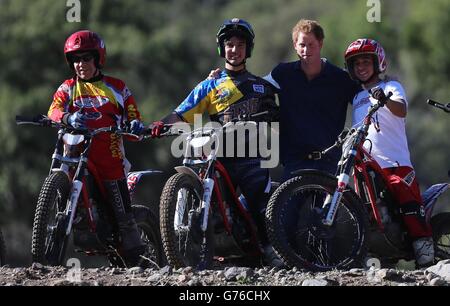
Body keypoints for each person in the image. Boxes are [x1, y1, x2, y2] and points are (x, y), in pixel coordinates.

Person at [150, 18, 282, 267]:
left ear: (248, 49)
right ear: (222, 49)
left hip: (251, 155)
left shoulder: (262, 87)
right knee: (212, 203)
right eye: (229, 44)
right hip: (218, 156)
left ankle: (271, 249)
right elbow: (180, 114)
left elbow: (278, 117)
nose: (235, 49)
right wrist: (159, 124)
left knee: (260, 204)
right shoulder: (209, 86)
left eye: (240, 44)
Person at [47, 30, 146, 267]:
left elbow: (133, 115)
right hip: (74, 153)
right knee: (55, 184)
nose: (81, 64)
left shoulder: (117, 87)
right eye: (76, 59)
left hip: (109, 158)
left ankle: (138, 263)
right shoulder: (68, 87)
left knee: (123, 218)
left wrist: (134, 124)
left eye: (86, 58)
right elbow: (53, 110)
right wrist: (67, 118)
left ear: (98, 58)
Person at [344, 38, 434, 267]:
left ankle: (425, 251)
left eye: (366, 61)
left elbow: (401, 109)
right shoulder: (355, 97)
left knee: (406, 198)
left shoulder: (390, 86)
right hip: (368, 166)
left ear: (378, 63)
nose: (361, 67)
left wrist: (384, 100)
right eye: (356, 63)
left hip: (395, 163)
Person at [264, 19, 361, 180]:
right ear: (295, 45)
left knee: (326, 207)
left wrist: (384, 82)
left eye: (311, 45)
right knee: (283, 206)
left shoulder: (341, 78)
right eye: (302, 45)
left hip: (330, 162)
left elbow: (365, 98)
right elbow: (254, 86)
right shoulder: (282, 73)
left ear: (320, 44)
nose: (306, 50)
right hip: (294, 161)